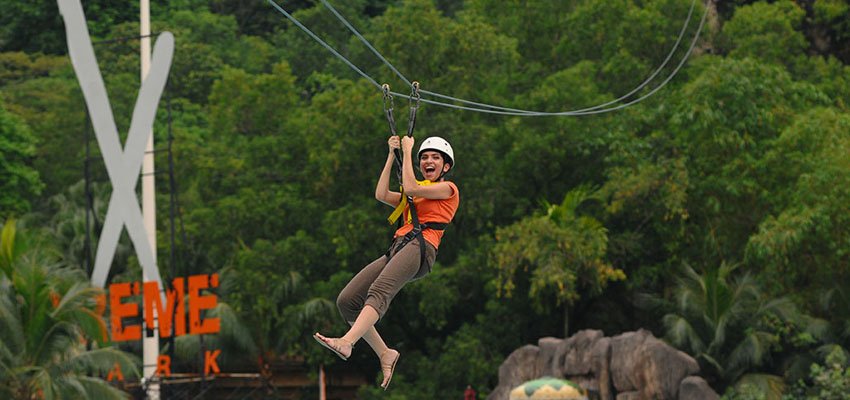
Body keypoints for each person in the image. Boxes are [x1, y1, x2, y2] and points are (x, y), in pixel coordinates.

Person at [313, 135, 459, 390]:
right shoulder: (416, 193)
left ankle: (347, 342)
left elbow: (411, 188)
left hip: (421, 247)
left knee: (379, 291)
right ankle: (385, 353)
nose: (428, 161)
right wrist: (392, 155)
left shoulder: (448, 189)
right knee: (347, 301)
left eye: (435, 157)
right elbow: (381, 194)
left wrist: (409, 149)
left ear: (445, 167)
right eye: (424, 157)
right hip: (399, 247)